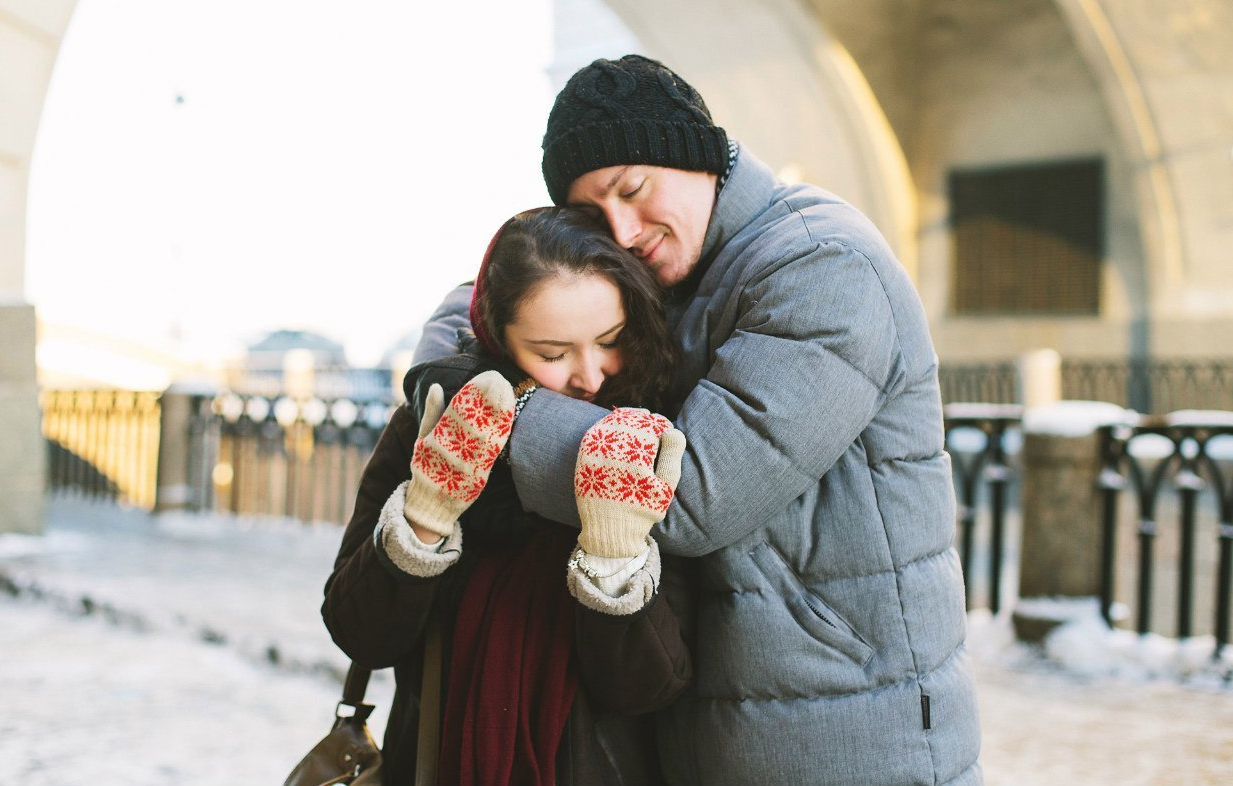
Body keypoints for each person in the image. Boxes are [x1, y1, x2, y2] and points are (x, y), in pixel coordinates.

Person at [412, 55, 983, 785]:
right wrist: (450, 362)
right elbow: (495, 287)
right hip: (717, 720)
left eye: (634, 189)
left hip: (847, 728)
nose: (620, 229)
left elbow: (687, 495)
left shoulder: (823, 266)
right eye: (594, 214)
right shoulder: (672, 264)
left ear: (698, 158)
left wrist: (482, 419)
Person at [322, 206, 694, 786]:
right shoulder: (437, 427)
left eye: (611, 340)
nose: (591, 376)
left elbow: (648, 687)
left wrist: (615, 553)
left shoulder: (655, 441)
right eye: (553, 354)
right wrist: (423, 520)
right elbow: (360, 633)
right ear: (499, 339)